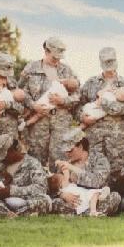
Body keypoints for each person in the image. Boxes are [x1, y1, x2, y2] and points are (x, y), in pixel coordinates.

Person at [19, 37, 80, 169]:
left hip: (61, 121)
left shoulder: (67, 71)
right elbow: (21, 92)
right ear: (46, 51)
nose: (57, 60)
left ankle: (58, 186)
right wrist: (33, 105)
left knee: (59, 158)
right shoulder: (31, 68)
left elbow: (77, 95)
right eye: (54, 57)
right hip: (38, 122)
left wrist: (63, 101)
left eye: (59, 58)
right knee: (35, 158)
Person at [79, 47, 124, 191]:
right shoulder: (91, 83)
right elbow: (79, 105)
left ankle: (116, 199)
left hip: (116, 135)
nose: (109, 64)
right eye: (106, 62)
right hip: (94, 135)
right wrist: (83, 117)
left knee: (116, 167)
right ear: (101, 62)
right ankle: (94, 198)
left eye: (112, 61)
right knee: (94, 166)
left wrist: (103, 102)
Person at [0, 134, 52, 218]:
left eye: (4, 156)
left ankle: (3, 213)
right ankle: (11, 214)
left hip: (25, 201)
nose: (2, 159)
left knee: (44, 200)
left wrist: (11, 191)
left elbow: (41, 188)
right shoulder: (0, 165)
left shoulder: (32, 164)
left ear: (12, 150)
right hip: (2, 202)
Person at [50, 128, 121, 216]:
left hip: (94, 200)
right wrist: (63, 195)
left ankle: (88, 212)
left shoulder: (99, 159)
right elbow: (56, 184)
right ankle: (88, 213)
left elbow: (97, 182)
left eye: (70, 150)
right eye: (66, 151)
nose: (67, 154)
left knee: (115, 197)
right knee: (55, 202)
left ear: (80, 147)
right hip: (74, 202)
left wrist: (72, 168)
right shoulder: (66, 162)